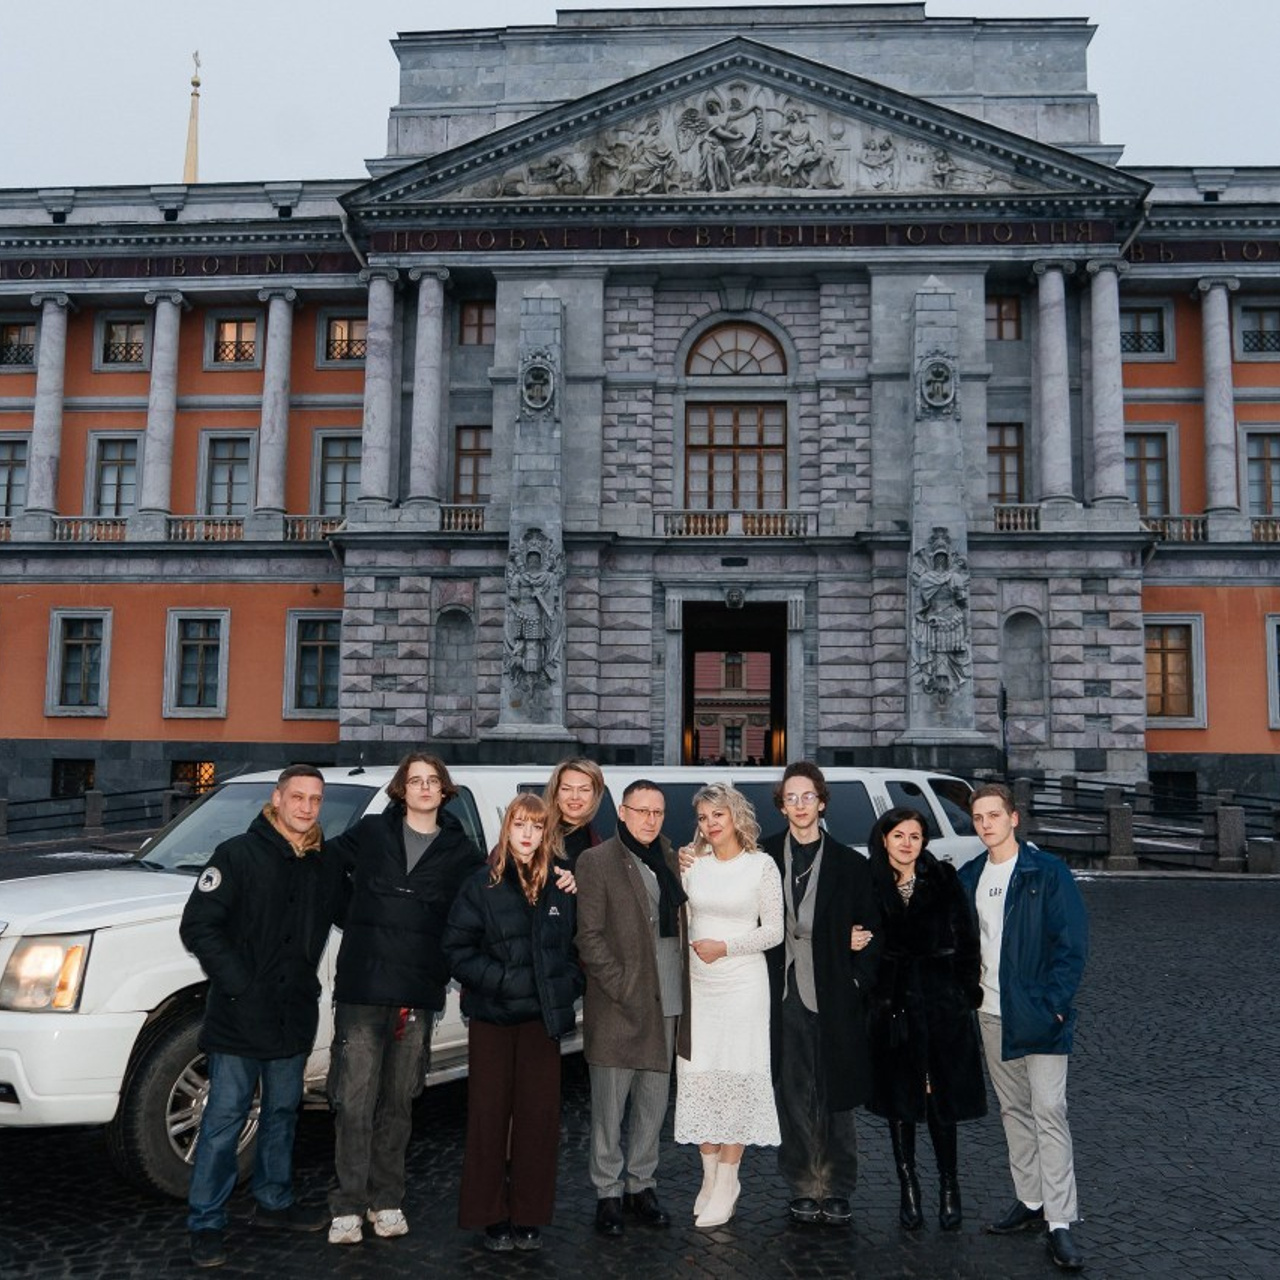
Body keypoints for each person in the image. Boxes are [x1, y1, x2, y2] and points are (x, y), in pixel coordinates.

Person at [179, 764, 346, 1270]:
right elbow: (199, 925)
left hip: (293, 1015)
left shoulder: (324, 863)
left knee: (281, 1113)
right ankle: (206, 1222)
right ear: (277, 799)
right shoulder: (237, 854)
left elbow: (358, 915)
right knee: (224, 1120)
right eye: (297, 797)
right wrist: (240, 983)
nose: (306, 807)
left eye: (315, 799)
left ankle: (274, 1202)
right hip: (239, 1016)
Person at [323, 753, 484, 1246]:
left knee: (399, 1101)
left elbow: (480, 904)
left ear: (444, 791)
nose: (425, 788)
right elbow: (326, 865)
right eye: (416, 781)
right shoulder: (372, 832)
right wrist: (356, 918)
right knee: (353, 1101)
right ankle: (347, 1205)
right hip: (363, 988)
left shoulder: (460, 850)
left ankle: (387, 1199)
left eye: (433, 781)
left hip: (417, 993)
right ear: (401, 789)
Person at [443, 794, 582, 1252]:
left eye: (537, 827)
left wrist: (566, 986)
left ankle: (528, 1215)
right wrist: (504, 981)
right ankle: (489, 1214)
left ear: (545, 833)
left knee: (538, 1121)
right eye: (520, 824)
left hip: (542, 1021)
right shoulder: (480, 883)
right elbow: (456, 950)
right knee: (488, 1117)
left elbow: (576, 950)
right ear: (507, 829)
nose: (528, 834)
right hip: (494, 1020)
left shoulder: (560, 884)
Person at [958, 783, 1089, 1273]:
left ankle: (1060, 1221)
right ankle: (1031, 1200)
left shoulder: (1046, 871)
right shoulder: (971, 875)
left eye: (994, 815)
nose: (986, 824)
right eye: (978, 817)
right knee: (1013, 1109)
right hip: (991, 1012)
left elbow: (1071, 943)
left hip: (1038, 1013)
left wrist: (1055, 1007)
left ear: (1014, 818)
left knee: (1049, 1110)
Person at [761, 761, 882, 1228]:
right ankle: (802, 1185)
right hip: (781, 992)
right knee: (792, 1092)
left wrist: (856, 982)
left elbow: (873, 930)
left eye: (807, 797)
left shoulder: (851, 864)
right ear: (782, 806)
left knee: (835, 1092)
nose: (799, 805)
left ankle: (837, 1186)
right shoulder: (764, 857)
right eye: (791, 798)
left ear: (822, 802)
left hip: (833, 992)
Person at [865, 807, 986, 1232]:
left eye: (914, 836)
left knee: (940, 1098)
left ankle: (950, 1185)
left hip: (940, 1004)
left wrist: (965, 992)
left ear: (924, 842)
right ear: (884, 838)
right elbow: (856, 938)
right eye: (899, 835)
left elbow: (967, 938)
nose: (906, 843)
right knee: (901, 1099)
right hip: (894, 1007)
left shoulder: (943, 879)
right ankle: (909, 1187)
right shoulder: (869, 882)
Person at [575, 780, 687, 1237]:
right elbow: (588, 936)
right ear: (621, 812)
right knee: (609, 1105)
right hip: (618, 1001)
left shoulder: (672, 859)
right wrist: (621, 985)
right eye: (641, 811)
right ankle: (608, 1192)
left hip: (667, 997)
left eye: (657, 812)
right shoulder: (596, 860)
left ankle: (642, 1185)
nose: (650, 820)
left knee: (653, 1103)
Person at [675, 782, 784, 1228]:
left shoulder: (761, 865)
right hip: (698, 988)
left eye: (717, 815)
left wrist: (726, 947)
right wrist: (676, 865)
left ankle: (728, 1182)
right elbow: (677, 916)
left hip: (742, 986)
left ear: (736, 816)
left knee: (737, 1078)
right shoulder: (691, 863)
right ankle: (708, 1178)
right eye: (703, 817)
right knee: (698, 1077)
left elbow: (773, 931)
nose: (710, 824)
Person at [543, 757, 606, 869]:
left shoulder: (599, 839)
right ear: (556, 794)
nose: (575, 797)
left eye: (584, 790)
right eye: (566, 789)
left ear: (595, 795)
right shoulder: (539, 835)